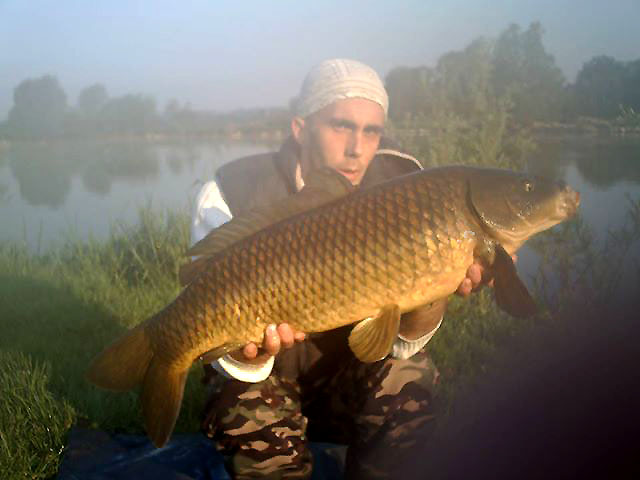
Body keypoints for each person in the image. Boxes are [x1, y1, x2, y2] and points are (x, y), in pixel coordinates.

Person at [190, 59, 488, 479]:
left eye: (371, 131)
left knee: (410, 376)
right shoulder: (231, 192)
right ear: (300, 128)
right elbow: (221, 350)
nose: (357, 147)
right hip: (266, 377)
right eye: (341, 126)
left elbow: (403, 342)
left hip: (347, 373)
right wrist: (248, 352)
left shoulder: (407, 188)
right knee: (242, 397)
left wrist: (434, 291)